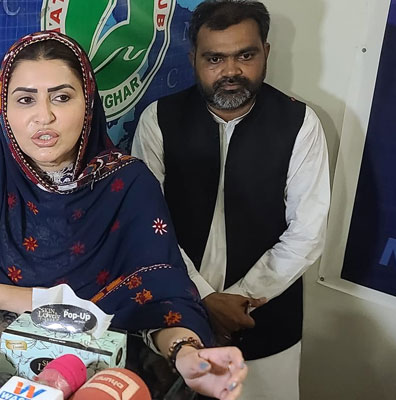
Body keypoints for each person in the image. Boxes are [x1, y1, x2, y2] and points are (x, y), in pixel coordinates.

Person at [0, 31, 247, 399]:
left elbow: (162, 298)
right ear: (5, 110)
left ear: (88, 104)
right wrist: (29, 300)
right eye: (25, 100)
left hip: (93, 380)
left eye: (62, 97)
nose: (44, 116)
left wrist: (186, 354)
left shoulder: (128, 184)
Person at [131, 1, 330, 399]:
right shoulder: (159, 119)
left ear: (266, 53)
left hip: (267, 321)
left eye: (246, 55)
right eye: (215, 58)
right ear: (194, 60)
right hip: (176, 315)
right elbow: (144, 222)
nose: (231, 71)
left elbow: (308, 232)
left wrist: (239, 300)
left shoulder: (299, 124)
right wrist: (204, 297)